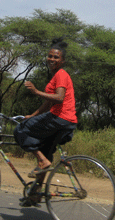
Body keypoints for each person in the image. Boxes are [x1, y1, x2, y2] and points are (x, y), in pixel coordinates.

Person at [14, 37, 77, 206]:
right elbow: (48, 103)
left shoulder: (61, 75)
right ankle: (35, 194)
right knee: (44, 150)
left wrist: (36, 91)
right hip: (65, 120)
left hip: (60, 118)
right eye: (50, 56)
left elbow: (58, 98)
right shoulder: (55, 77)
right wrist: (33, 115)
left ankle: (42, 162)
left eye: (56, 57)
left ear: (62, 61)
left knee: (20, 130)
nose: (52, 59)